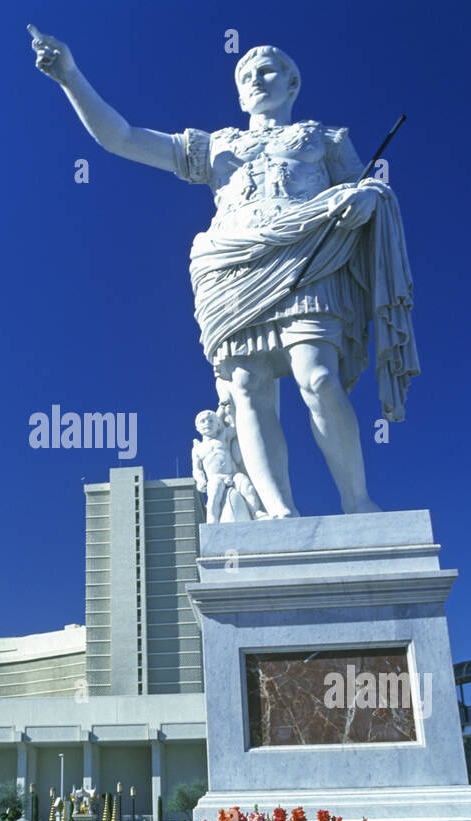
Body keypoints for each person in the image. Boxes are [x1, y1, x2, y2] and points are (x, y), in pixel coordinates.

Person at [29, 28, 418, 517]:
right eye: (246, 75)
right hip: (230, 270)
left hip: (307, 258)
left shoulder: (323, 137)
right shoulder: (214, 146)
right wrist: (70, 76)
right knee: (250, 389)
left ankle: (357, 502)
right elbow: (121, 138)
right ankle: (280, 514)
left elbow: (365, 190)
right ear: (238, 93)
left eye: (268, 70)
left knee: (318, 377)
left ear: (292, 84)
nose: (256, 79)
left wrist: (365, 198)